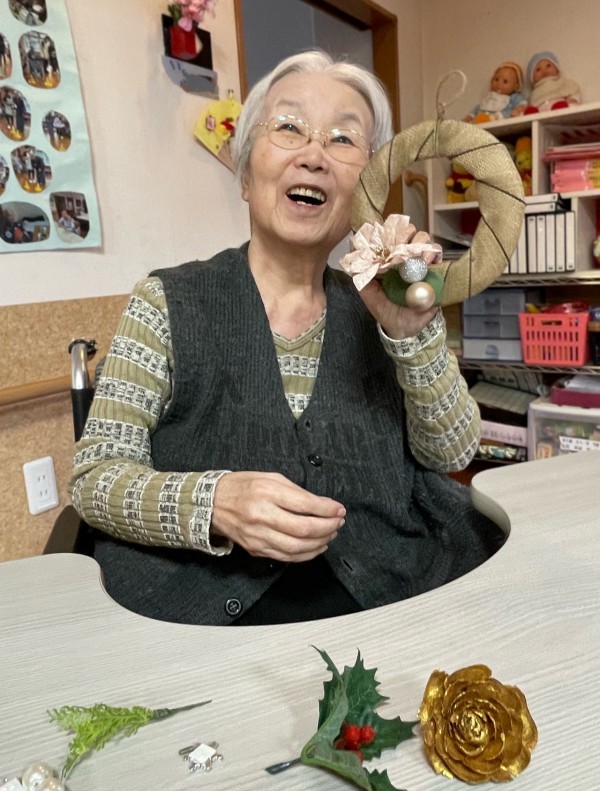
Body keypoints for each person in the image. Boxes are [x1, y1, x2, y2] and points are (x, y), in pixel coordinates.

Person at [70, 50, 504, 626]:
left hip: (386, 603)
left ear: (367, 188)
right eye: (289, 127)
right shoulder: (166, 302)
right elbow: (95, 476)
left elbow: (452, 453)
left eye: (344, 139)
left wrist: (411, 334)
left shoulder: (387, 298)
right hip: (208, 618)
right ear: (246, 175)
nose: (314, 156)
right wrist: (214, 503)